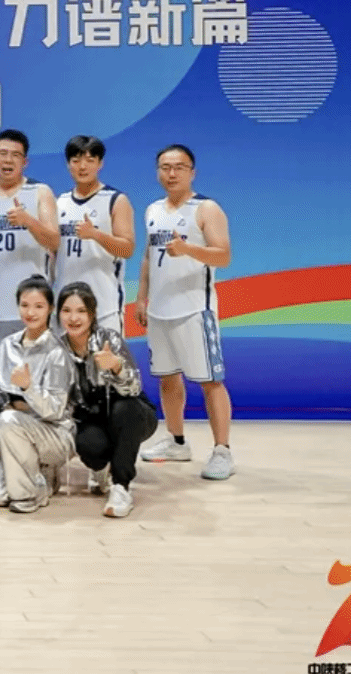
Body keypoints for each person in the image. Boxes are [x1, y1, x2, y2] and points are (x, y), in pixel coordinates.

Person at [136, 144, 235, 481]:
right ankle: (177, 442)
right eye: (165, 166)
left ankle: (222, 450)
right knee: (167, 378)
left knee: (210, 381)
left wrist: (188, 248)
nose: (172, 173)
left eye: (179, 166)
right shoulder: (152, 209)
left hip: (195, 310)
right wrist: (142, 298)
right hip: (160, 310)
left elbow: (223, 255)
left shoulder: (206, 208)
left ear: (192, 172)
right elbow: (148, 257)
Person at [58, 281, 157, 518]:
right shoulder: (57, 349)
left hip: (131, 412)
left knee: (126, 409)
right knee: (90, 447)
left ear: (92, 314)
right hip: (91, 417)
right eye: (67, 310)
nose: (73, 318)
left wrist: (116, 367)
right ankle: (101, 468)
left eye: (81, 311)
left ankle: (121, 486)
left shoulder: (109, 339)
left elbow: (134, 388)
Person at [0, 275, 75, 514]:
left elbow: (55, 411)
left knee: (9, 420)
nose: (30, 313)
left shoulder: (57, 352)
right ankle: (38, 473)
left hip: (55, 433)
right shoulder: (7, 346)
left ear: (50, 309)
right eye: (24, 305)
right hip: (16, 429)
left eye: (39, 306)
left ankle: (30, 494)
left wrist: (28, 388)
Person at [0, 129, 59, 354]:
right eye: (2, 154)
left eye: (15, 155)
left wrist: (28, 221)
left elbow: (54, 242)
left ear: (25, 162)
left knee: (34, 371)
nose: (8, 160)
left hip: (33, 307)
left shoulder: (40, 192)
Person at [54, 135, 136, 334]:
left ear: (100, 163)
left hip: (104, 305)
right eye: (76, 161)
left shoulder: (116, 200)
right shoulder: (60, 202)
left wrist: (95, 235)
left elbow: (127, 249)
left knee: (106, 355)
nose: (82, 167)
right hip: (66, 307)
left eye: (90, 160)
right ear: (68, 164)